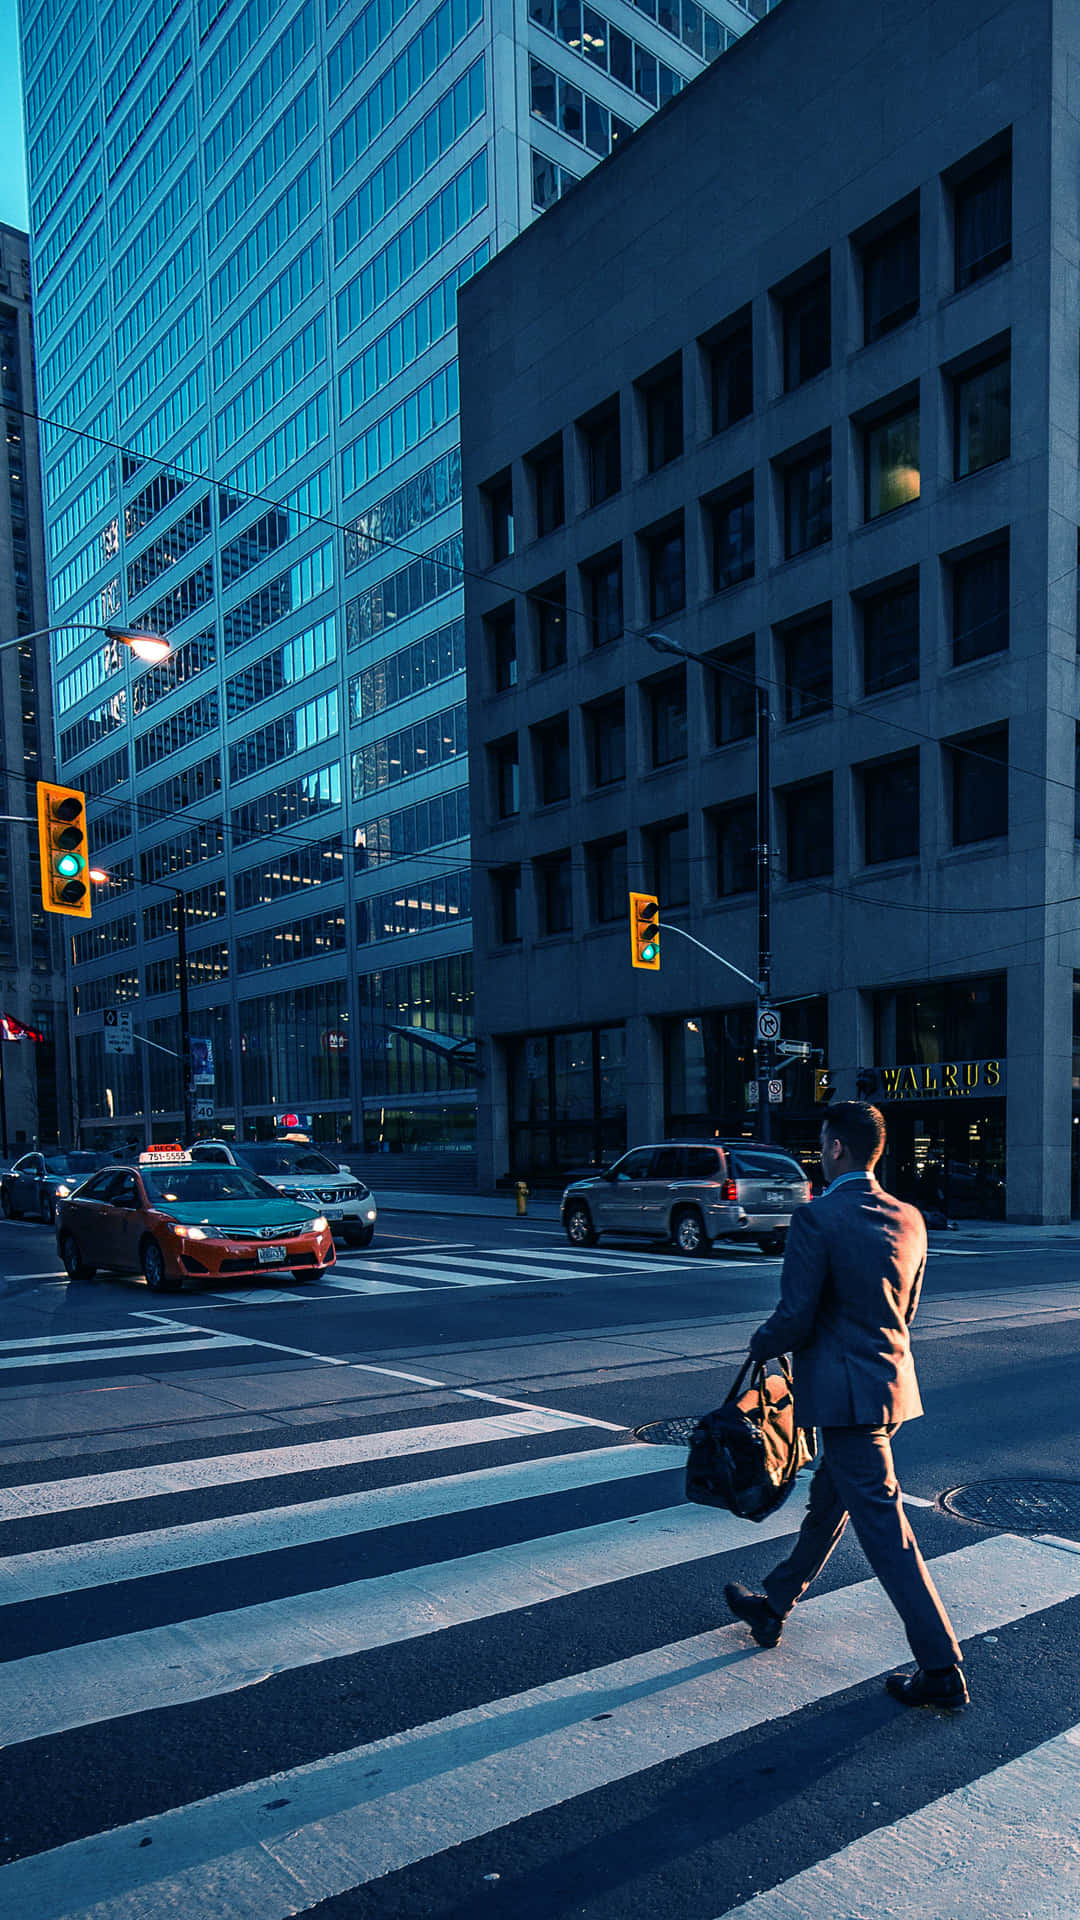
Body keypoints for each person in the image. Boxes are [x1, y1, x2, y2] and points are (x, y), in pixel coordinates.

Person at [724, 1101, 968, 1710]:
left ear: (835, 1148)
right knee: (830, 1501)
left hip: (844, 1396)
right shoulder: (911, 1217)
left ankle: (940, 1666)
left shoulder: (818, 1218)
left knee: (887, 1532)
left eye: (822, 1143)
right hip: (890, 1388)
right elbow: (905, 1312)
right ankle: (774, 1605)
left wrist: (762, 1342)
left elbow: (796, 1316)